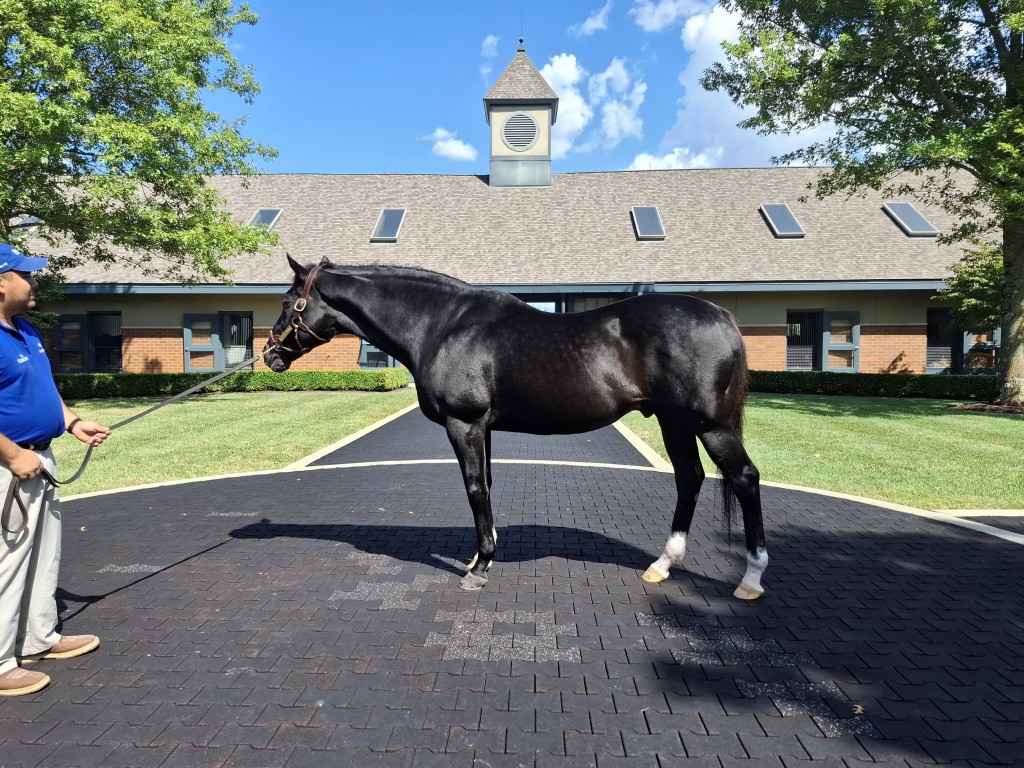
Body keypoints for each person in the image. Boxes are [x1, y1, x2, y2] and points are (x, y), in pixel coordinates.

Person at [0, 243, 111, 696]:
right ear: (1, 281)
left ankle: (38, 639)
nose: (36, 281)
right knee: (6, 562)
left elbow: (45, 389)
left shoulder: (24, 329)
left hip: (39, 459)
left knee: (44, 556)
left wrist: (72, 422)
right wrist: (10, 455)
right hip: (10, 466)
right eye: (27, 274)